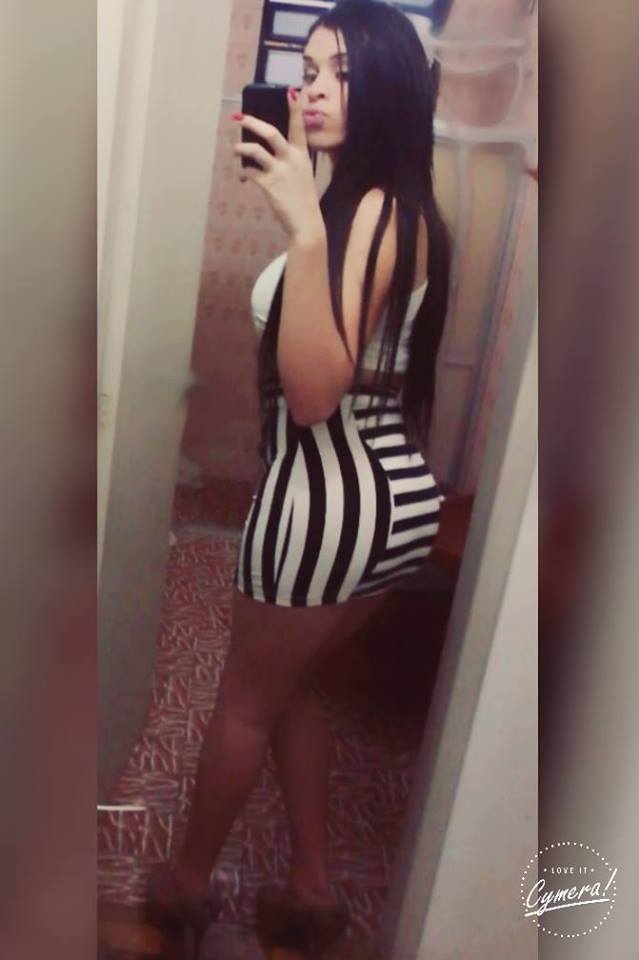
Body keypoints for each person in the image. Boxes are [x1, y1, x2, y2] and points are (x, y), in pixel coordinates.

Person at [147, 1, 450, 955]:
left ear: (391, 89)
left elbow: (314, 395)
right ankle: (314, 889)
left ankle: (184, 885)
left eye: (342, 74)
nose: (314, 90)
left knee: (244, 699)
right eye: (309, 70)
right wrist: (308, 223)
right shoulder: (386, 207)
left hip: (326, 499)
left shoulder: (369, 215)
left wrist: (303, 235)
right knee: (296, 688)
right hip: (385, 494)